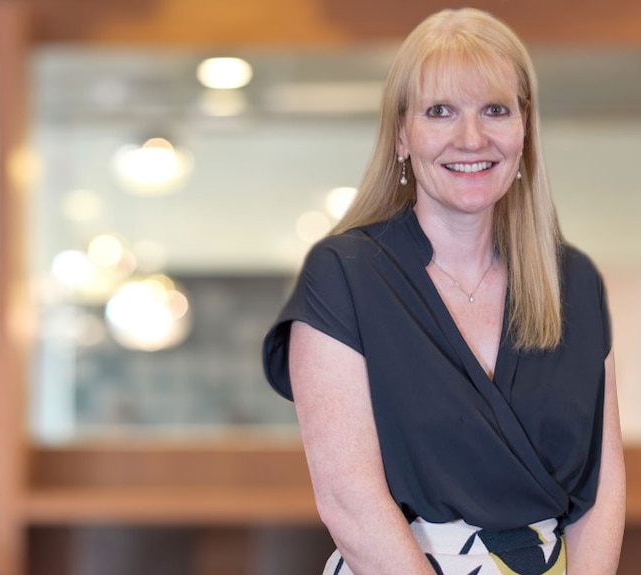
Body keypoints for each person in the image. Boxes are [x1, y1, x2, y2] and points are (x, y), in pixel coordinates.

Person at [262, 8, 625, 575]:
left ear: (524, 128)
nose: (471, 137)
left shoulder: (573, 281)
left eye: (495, 110)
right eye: (440, 111)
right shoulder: (344, 277)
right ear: (402, 134)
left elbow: (600, 495)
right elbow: (351, 504)